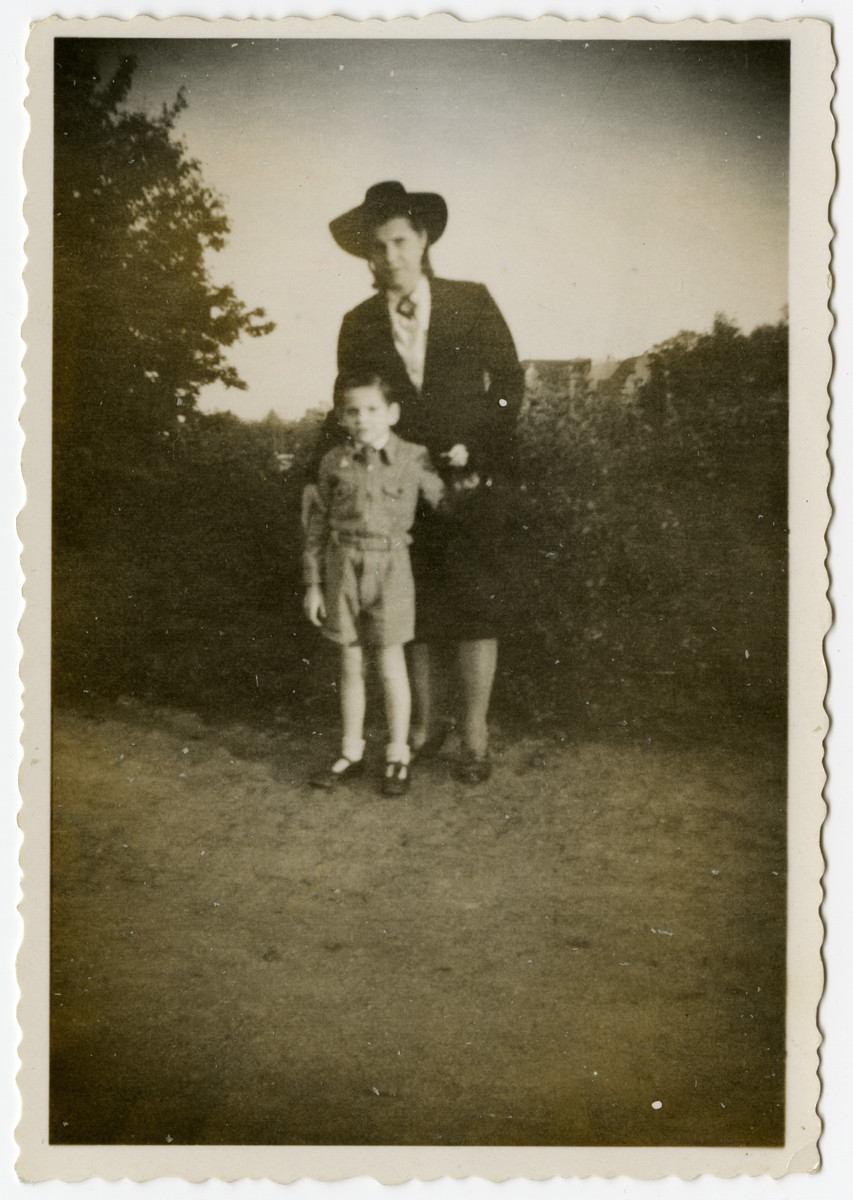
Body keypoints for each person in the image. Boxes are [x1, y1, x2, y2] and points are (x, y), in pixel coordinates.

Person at [321, 181, 525, 783]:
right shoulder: (357, 324)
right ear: (368, 256)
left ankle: (476, 737)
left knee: (475, 605)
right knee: (411, 608)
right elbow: (352, 407)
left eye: (400, 241)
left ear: (424, 239)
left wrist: (479, 446)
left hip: (473, 480)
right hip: (397, 489)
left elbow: (510, 380)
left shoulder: (471, 300)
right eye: (378, 247)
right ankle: (425, 727)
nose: (390, 257)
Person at [303, 370, 444, 796]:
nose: (362, 419)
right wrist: (313, 584)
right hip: (342, 564)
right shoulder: (332, 462)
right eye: (353, 411)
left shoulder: (414, 457)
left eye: (372, 409)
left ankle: (398, 753)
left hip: (392, 566)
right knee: (349, 664)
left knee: (389, 663)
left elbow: (447, 501)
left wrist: (465, 474)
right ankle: (351, 751)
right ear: (342, 417)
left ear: (392, 413)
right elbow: (315, 527)